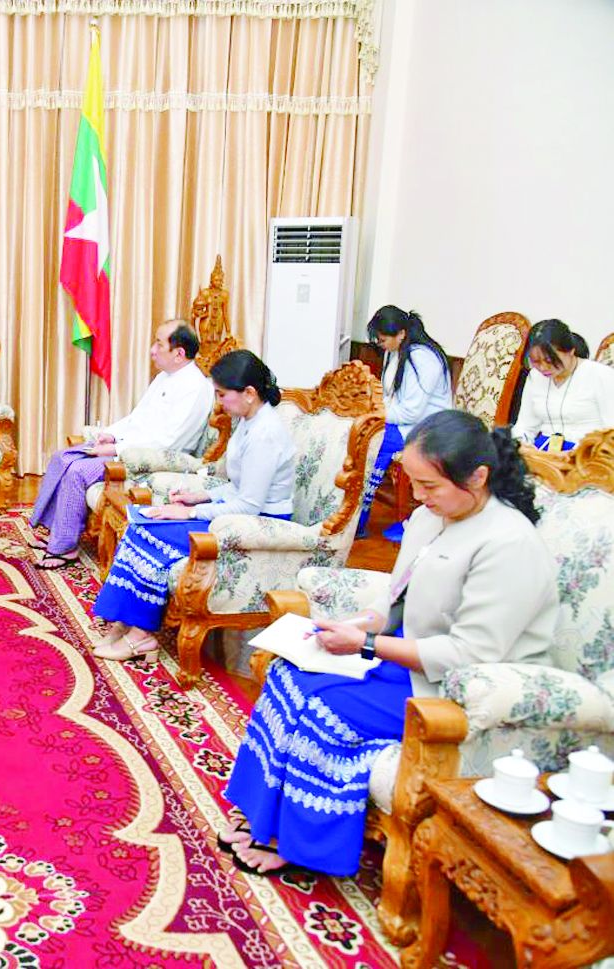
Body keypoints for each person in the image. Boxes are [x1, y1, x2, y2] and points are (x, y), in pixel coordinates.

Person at [218, 409, 558, 877]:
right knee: (287, 675)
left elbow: (470, 655)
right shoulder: (430, 518)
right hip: (410, 656)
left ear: (478, 477)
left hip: (460, 688)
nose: (417, 496)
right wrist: (352, 626)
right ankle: (266, 814)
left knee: (323, 708)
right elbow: (395, 599)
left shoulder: (509, 543)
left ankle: (300, 843)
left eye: (429, 486)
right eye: (413, 482)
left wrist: (366, 644)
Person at [92, 350, 294, 660]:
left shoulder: (265, 434)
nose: (219, 403)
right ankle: (127, 622)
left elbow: (250, 505)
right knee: (142, 524)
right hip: (237, 512)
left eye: (222, 394)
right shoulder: (248, 421)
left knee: (152, 532)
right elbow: (239, 486)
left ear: (249, 393)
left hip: (256, 523)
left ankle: (141, 636)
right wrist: (200, 496)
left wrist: (189, 512)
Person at [29, 319, 213, 569]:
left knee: (78, 471)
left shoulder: (195, 388)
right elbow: (137, 418)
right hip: (127, 447)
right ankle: (55, 534)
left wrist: (116, 449)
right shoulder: (164, 377)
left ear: (179, 353)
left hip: (149, 460)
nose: (152, 350)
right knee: (62, 457)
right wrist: (111, 435)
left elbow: (168, 441)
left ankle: (64, 549)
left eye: (159, 344)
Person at [358, 305, 452, 538]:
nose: (380, 345)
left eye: (382, 340)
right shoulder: (396, 350)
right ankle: (353, 512)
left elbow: (410, 413)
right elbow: (391, 398)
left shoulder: (423, 359)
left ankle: (359, 518)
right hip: (402, 423)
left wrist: (376, 414)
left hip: (427, 428)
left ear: (401, 333)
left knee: (375, 441)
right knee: (361, 434)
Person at [512, 318, 614, 451]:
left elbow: (611, 432)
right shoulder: (535, 376)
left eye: (549, 360)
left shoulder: (600, 375)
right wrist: (515, 447)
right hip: (543, 452)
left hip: (585, 453)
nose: (543, 368)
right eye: (536, 361)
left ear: (571, 350)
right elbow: (525, 426)